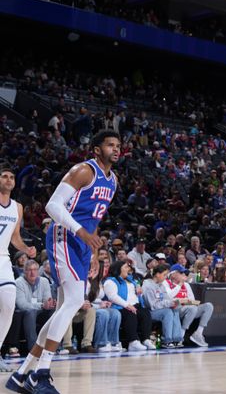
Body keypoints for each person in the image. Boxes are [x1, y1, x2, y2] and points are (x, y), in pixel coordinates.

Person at [8, 131, 119, 394]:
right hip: (63, 236)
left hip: (82, 244)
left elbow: (95, 219)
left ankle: (21, 375)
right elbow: (53, 206)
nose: (115, 149)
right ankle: (41, 372)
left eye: (118, 145)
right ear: (96, 149)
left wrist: (92, 251)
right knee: (72, 302)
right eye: (110, 145)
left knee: (63, 310)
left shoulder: (113, 181)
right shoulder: (83, 171)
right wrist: (80, 232)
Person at [0, 165, 36, 371]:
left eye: (12, 177)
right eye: (4, 176)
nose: (8, 180)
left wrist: (26, 249)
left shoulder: (17, 207)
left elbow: (15, 238)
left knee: (8, 305)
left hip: (3, 259)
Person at [103, 260, 154, 352]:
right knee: (130, 313)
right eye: (126, 267)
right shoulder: (111, 281)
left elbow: (135, 294)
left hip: (135, 304)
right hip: (119, 306)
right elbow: (112, 296)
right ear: (118, 269)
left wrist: (139, 291)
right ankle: (133, 342)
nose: (128, 269)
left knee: (145, 313)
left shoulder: (131, 280)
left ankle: (146, 339)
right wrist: (127, 305)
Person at [165, 264, 211, 347]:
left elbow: (192, 300)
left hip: (188, 309)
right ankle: (180, 336)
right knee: (192, 308)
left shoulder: (186, 285)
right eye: (181, 273)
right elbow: (169, 297)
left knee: (208, 306)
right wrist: (180, 285)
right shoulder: (166, 283)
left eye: (184, 273)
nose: (184, 275)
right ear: (173, 274)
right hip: (174, 310)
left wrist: (187, 302)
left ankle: (198, 333)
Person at [142, 264, 182, 348]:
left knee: (176, 308)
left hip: (160, 309)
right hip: (149, 312)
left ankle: (176, 339)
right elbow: (152, 305)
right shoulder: (148, 286)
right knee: (167, 312)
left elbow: (167, 299)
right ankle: (166, 340)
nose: (165, 278)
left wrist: (174, 303)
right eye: (164, 275)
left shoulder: (161, 285)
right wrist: (169, 303)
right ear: (157, 274)